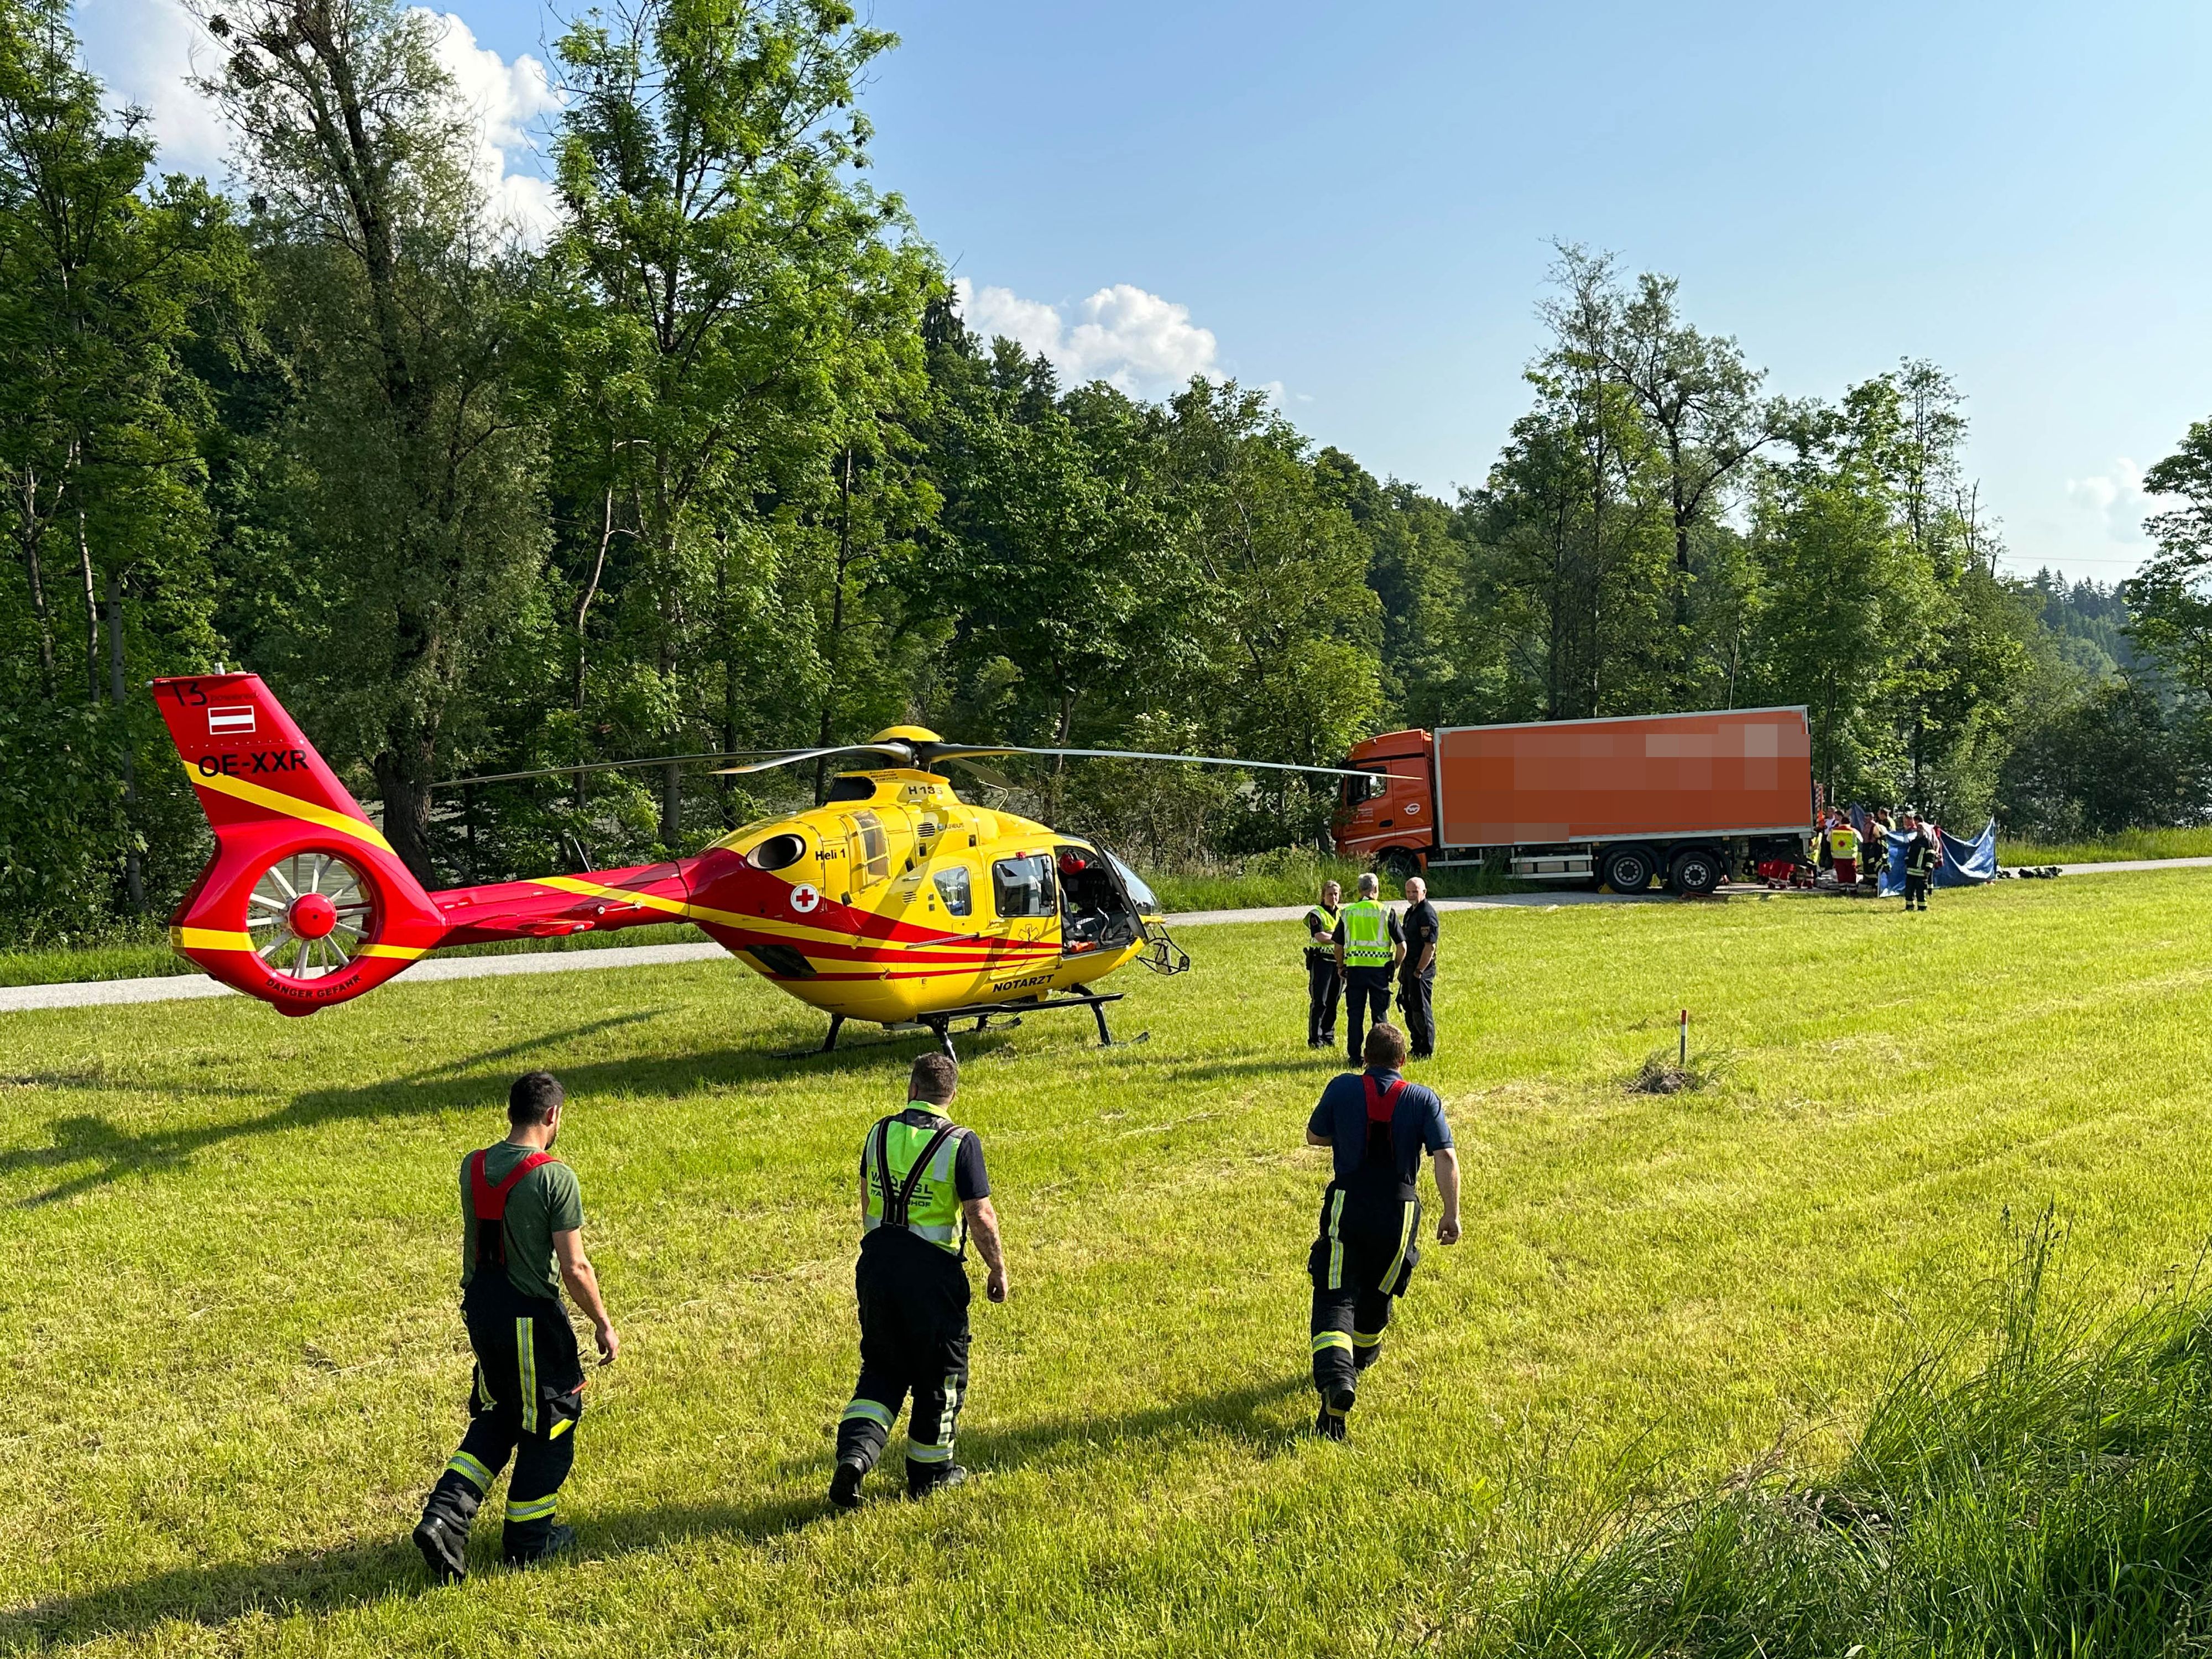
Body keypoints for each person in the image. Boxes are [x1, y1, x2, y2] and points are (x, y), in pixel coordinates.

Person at [414, 1072, 618, 1584]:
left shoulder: (473, 1166)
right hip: (531, 1319)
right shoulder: (554, 1177)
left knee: (500, 1414)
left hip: (482, 1313)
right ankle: (529, 1540)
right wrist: (603, 1323)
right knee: (553, 1420)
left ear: (511, 1112)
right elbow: (575, 1269)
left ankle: (444, 1517)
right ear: (551, 1115)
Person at [831, 1052, 1008, 1508]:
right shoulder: (961, 1142)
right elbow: (980, 1215)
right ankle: (931, 1474)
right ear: (951, 1097)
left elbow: (868, 1193)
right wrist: (997, 1267)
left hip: (875, 1267)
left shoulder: (878, 1133)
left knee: (883, 1369)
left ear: (911, 1089)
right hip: (932, 1276)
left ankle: (854, 1457)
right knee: (941, 1375)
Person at [1303, 1022, 1460, 1440]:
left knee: (1336, 1294)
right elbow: (1445, 1155)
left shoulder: (1341, 1088)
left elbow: (1315, 1136)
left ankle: (1338, 1382)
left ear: (1365, 1057)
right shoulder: (1423, 1098)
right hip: (1400, 1212)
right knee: (1376, 1298)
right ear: (1403, 1061)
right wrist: (1452, 1213)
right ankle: (1360, 1359)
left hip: (1348, 1204)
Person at [1333, 872, 1405, 1068]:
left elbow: (1338, 947)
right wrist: (1395, 965)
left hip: (1355, 971)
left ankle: (1355, 1058)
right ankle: (1381, 1058)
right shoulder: (1386, 911)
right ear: (1376, 889)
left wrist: (1341, 966)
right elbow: (1403, 947)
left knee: (1355, 1016)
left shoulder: (1348, 913)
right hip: (1380, 973)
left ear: (1359, 890)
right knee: (1380, 1017)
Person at [1397, 877, 1440, 1061]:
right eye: (1408, 892)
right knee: (1409, 1006)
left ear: (1424, 892)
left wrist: (1419, 972)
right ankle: (1417, 1045)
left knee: (1421, 1009)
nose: (1411, 895)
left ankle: (1426, 1049)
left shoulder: (1426, 914)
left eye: (1415, 891)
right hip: (1409, 967)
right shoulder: (1411, 912)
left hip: (1421, 969)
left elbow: (1430, 946)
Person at [1303, 879, 1344, 1050]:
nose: (1333, 897)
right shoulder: (1316, 914)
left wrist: (1332, 936)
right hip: (1321, 962)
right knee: (1320, 1001)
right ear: (1323, 896)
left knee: (1334, 1000)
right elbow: (1320, 936)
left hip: (1339, 962)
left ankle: (1328, 1036)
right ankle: (1316, 1039)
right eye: (1330, 894)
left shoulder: (1343, 913)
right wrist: (1339, 938)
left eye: (1336, 894)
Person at [1901, 810, 1938, 912]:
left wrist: (1928, 869)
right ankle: (1909, 907)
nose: (1918, 830)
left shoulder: (1927, 843)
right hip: (1911, 871)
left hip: (1922, 872)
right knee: (1909, 891)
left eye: (1921, 829)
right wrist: (1907, 863)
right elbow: (1908, 854)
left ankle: (1922, 908)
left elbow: (1931, 858)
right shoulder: (1914, 842)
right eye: (1918, 829)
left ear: (1925, 831)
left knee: (1921, 891)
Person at [1828, 814, 1860, 891]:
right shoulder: (1854, 831)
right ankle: (1853, 890)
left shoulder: (1833, 831)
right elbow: (1861, 840)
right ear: (1850, 823)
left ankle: (1842, 889)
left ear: (1841, 822)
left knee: (1841, 874)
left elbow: (1828, 840)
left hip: (1837, 856)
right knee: (1851, 873)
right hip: (1850, 856)